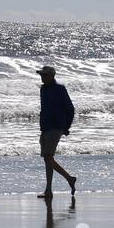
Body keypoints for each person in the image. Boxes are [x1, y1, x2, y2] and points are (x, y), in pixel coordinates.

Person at [36, 65, 76, 199]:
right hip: (45, 127)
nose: (42, 77)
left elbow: (70, 109)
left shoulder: (60, 89)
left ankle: (69, 178)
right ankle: (48, 190)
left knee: (48, 157)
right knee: (48, 159)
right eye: (41, 75)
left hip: (56, 127)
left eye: (44, 75)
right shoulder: (43, 89)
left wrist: (66, 127)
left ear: (52, 76)